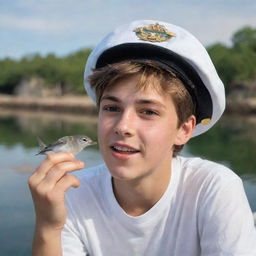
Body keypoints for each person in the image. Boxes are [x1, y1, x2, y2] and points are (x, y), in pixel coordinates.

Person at [28, 20, 256, 256]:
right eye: (111, 108)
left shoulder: (213, 189)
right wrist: (48, 227)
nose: (123, 126)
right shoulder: (72, 192)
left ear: (184, 130)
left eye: (148, 111)